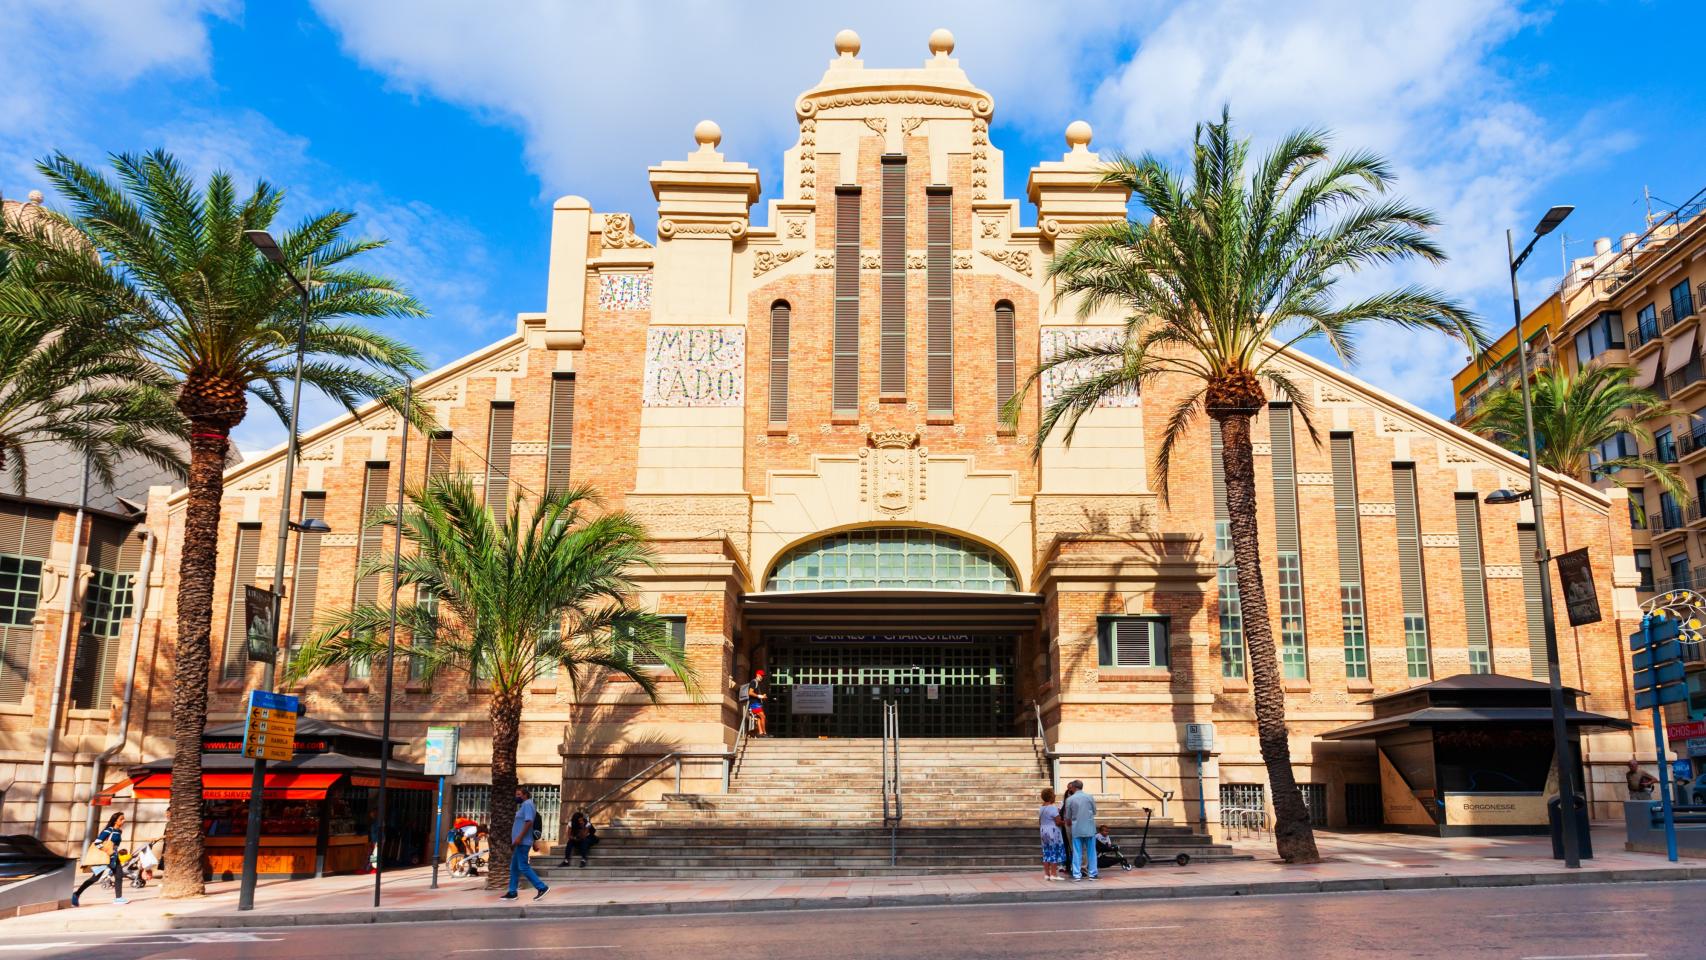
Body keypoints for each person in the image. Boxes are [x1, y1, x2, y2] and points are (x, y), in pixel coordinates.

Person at [501, 786, 548, 901]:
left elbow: (528, 823)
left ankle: (541, 887)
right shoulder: (526, 805)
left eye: (518, 795)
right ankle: (512, 892)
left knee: (523, 866)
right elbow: (529, 824)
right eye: (516, 795)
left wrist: (519, 838)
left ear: (525, 795)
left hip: (522, 842)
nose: (516, 797)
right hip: (521, 841)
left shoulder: (527, 804)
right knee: (514, 867)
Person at [72, 812, 127, 907]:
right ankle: (76, 894)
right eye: (121, 819)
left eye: (123, 819)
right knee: (95, 878)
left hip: (114, 857)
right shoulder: (109, 830)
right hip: (105, 857)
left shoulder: (118, 831)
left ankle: (118, 898)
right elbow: (98, 842)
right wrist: (108, 851)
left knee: (119, 875)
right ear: (115, 820)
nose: (123, 821)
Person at [1062, 779, 1098, 882]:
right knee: (1091, 852)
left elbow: (1068, 816)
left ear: (1073, 787)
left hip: (1077, 828)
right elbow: (1094, 811)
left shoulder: (1070, 800)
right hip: (1089, 827)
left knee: (1077, 852)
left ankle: (1077, 874)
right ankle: (1093, 873)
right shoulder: (1089, 797)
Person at [1038, 788, 1066, 881]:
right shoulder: (1053, 808)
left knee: (1046, 851)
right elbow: (1058, 822)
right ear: (1051, 796)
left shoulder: (1041, 808)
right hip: (1052, 831)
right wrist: (1064, 822)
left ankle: (1047, 874)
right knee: (1054, 851)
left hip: (1043, 830)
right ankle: (1053, 874)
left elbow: (1040, 821)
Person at [743, 669, 769, 737]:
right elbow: (750, 692)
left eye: (763, 676)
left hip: (757, 703)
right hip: (754, 704)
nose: (762, 677)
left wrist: (762, 696)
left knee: (759, 718)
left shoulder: (757, 683)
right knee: (763, 716)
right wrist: (759, 696)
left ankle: (760, 733)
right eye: (761, 675)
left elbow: (756, 694)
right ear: (757, 675)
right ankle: (764, 733)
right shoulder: (753, 682)